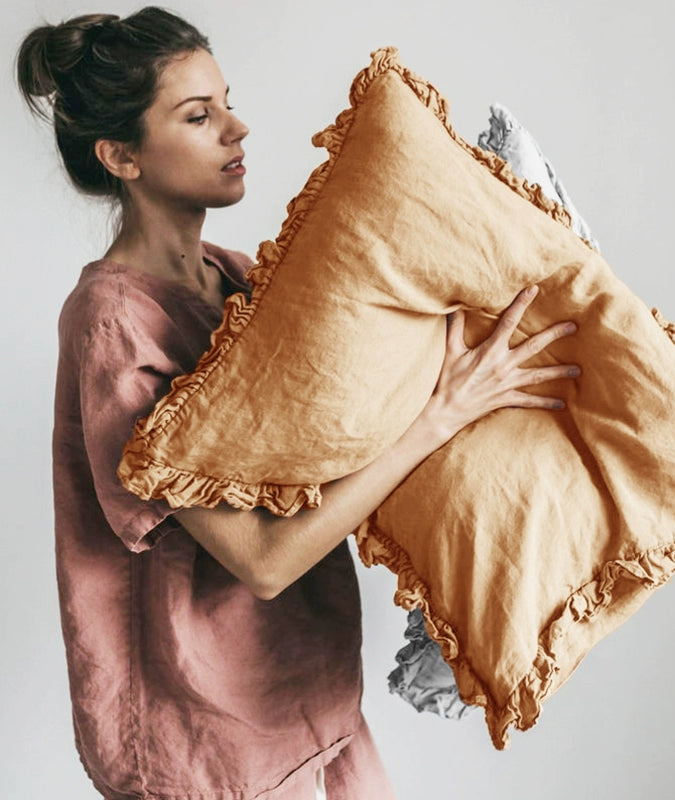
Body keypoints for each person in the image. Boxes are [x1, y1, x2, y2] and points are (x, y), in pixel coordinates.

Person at [16, 7, 580, 799]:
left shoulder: (240, 279)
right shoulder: (113, 322)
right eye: (198, 116)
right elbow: (264, 561)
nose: (237, 128)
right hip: (208, 742)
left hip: (312, 698)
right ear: (121, 155)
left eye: (228, 103)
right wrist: (440, 415)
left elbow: (351, 419)